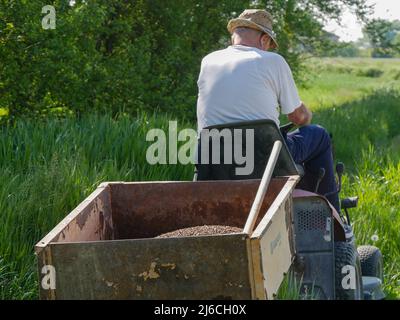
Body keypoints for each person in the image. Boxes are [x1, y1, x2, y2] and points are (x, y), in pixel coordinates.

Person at [196, 9, 340, 212]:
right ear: (264, 40)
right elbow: (298, 117)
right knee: (318, 134)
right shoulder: (273, 61)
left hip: (215, 155)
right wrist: (306, 116)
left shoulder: (208, 61)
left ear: (234, 35)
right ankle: (328, 214)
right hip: (263, 157)